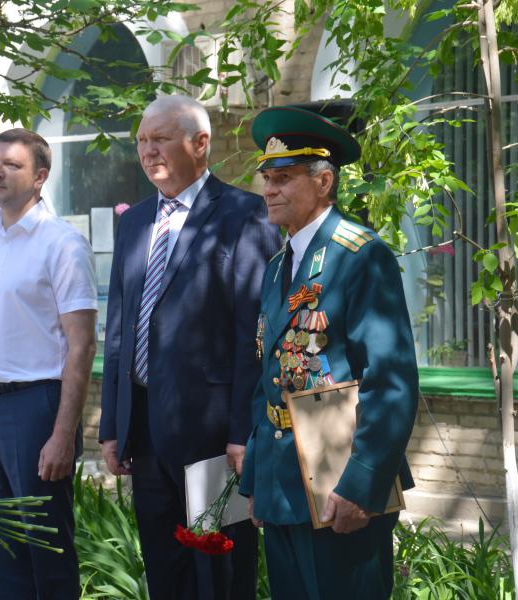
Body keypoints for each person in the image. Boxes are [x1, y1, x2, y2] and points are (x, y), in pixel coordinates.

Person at [99, 95, 281, 600]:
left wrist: (243, 432)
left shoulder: (246, 215)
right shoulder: (134, 221)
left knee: (218, 571)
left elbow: (254, 337)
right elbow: (119, 329)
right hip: (145, 432)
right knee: (166, 570)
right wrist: (113, 424)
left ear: (200, 144)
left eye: (160, 139)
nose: (147, 151)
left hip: (212, 439)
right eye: (141, 140)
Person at [238, 105, 418, 599]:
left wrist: (362, 483)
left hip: (340, 479)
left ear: (323, 182)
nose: (269, 189)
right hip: (283, 482)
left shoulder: (360, 255)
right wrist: (256, 478)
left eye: (284, 178)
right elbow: (267, 375)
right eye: (267, 178)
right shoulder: (279, 265)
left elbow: (390, 382)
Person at [0, 128, 96, 600]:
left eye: (12, 165)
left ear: (40, 177)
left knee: (45, 548)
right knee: (0, 549)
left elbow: (82, 347)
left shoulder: (63, 244)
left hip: (36, 407)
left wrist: (62, 434)